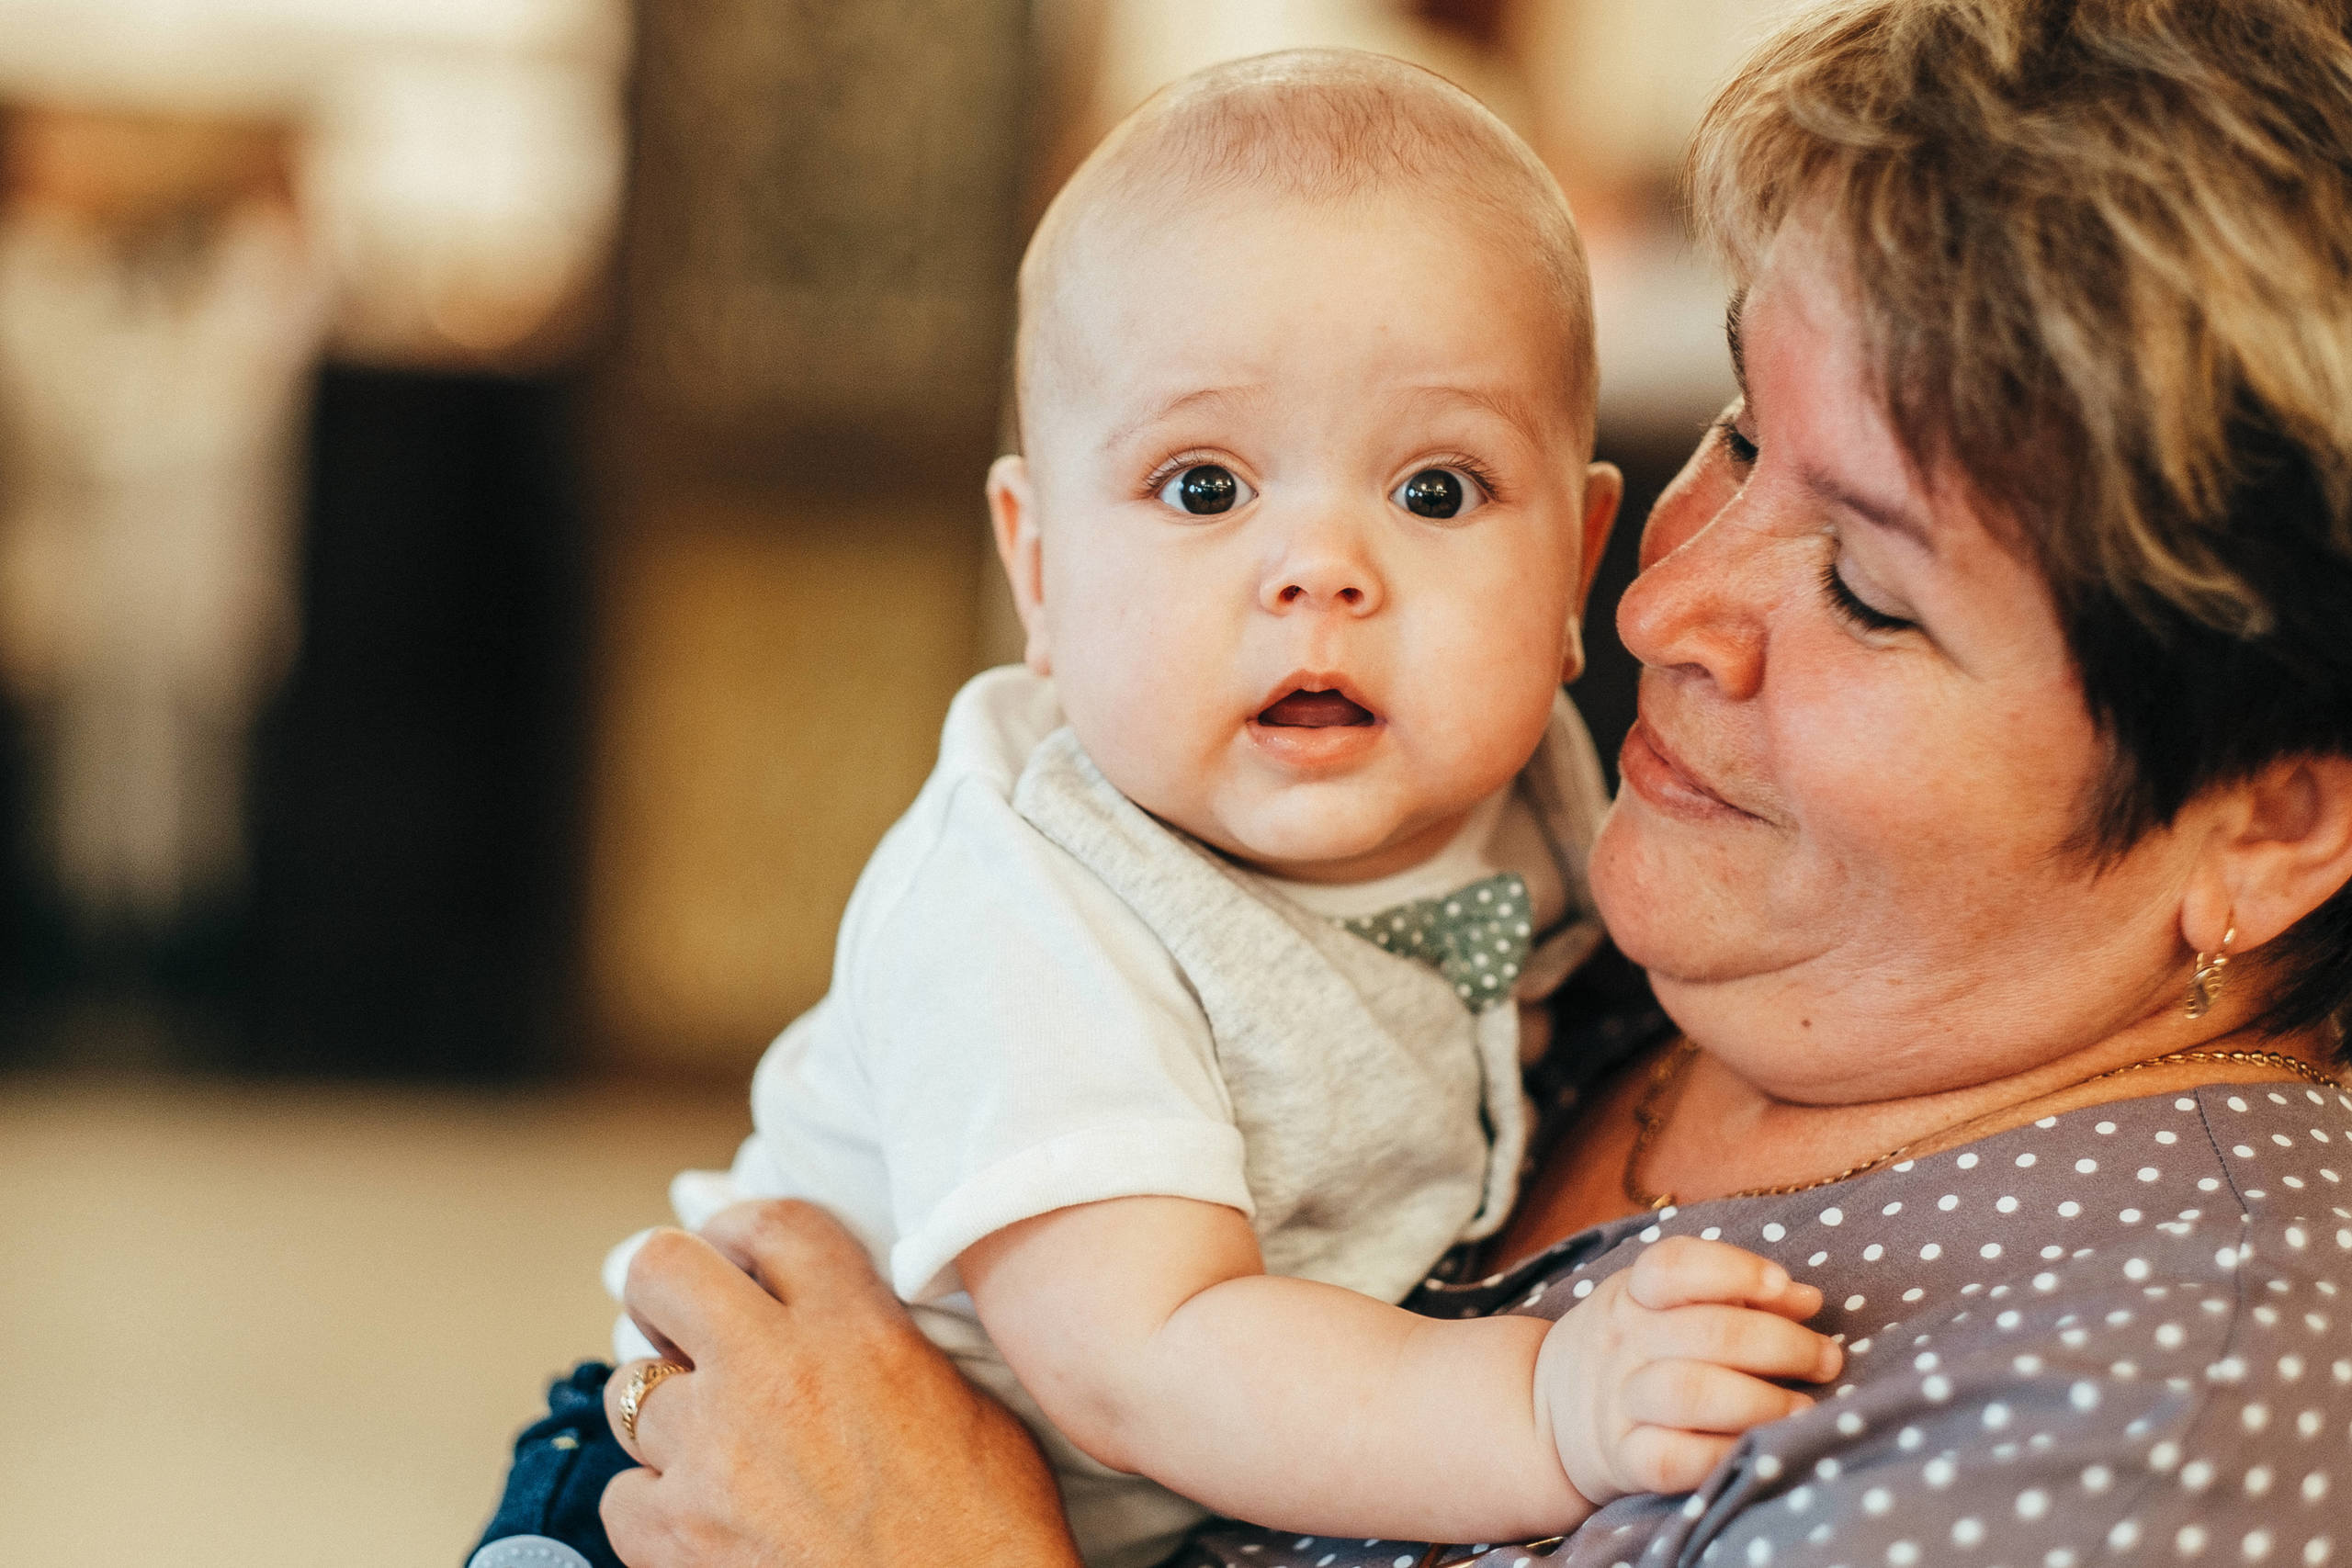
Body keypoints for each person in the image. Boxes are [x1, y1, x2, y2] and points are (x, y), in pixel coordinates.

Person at [584, 1, 2352, 1564]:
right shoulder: (1547, 886)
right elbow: (1126, 1341)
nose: (1659, 606)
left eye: (1872, 591)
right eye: (1738, 437)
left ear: (2273, 820)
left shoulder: (2166, 1399)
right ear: (1033, 563)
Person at [472, 47, 1847, 1568]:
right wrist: (1544, 1405)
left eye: (1436, 490)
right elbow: (1151, 1350)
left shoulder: (1538, 795)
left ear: (1576, 568)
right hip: (714, 1462)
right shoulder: (1028, 905)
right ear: (1040, 568)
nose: (1321, 570)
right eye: (1204, 488)